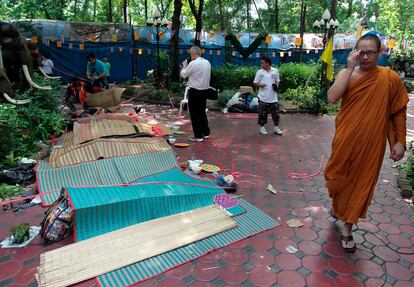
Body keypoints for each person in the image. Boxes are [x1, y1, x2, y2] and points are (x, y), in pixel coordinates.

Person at [325, 33, 408, 253]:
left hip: (372, 144)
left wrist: (399, 142)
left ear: (380, 53)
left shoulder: (389, 78)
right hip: (345, 140)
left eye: (370, 52)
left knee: (361, 183)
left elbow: (398, 111)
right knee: (335, 179)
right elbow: (332, 98)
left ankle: (347, 228)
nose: (365, 57)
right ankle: (337, 207)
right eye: (361, 52)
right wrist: (349, 68)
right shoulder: (348, 73)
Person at [180, 46, 212, 142]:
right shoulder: (207, 63)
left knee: (194, 113)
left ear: (193, 54)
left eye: (190, 54)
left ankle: (198, 135)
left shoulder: (193, 63)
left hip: (195, 91)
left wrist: (184, 66)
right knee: (202, 111)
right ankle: (205, 133)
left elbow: (183, 74)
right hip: (204, 91)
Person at [253, 56, 282, 135]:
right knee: (262, 114)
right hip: (262, 97)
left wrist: (276, 85)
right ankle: (262, 128)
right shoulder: (259, 72)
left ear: (267, 63)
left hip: (273, 97)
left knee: (276, 114)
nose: (261, 64)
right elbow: (255, 82)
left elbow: (278, 80)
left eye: (262, 63)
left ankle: (276, 128)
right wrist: (260, 85)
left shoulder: (275, 71)